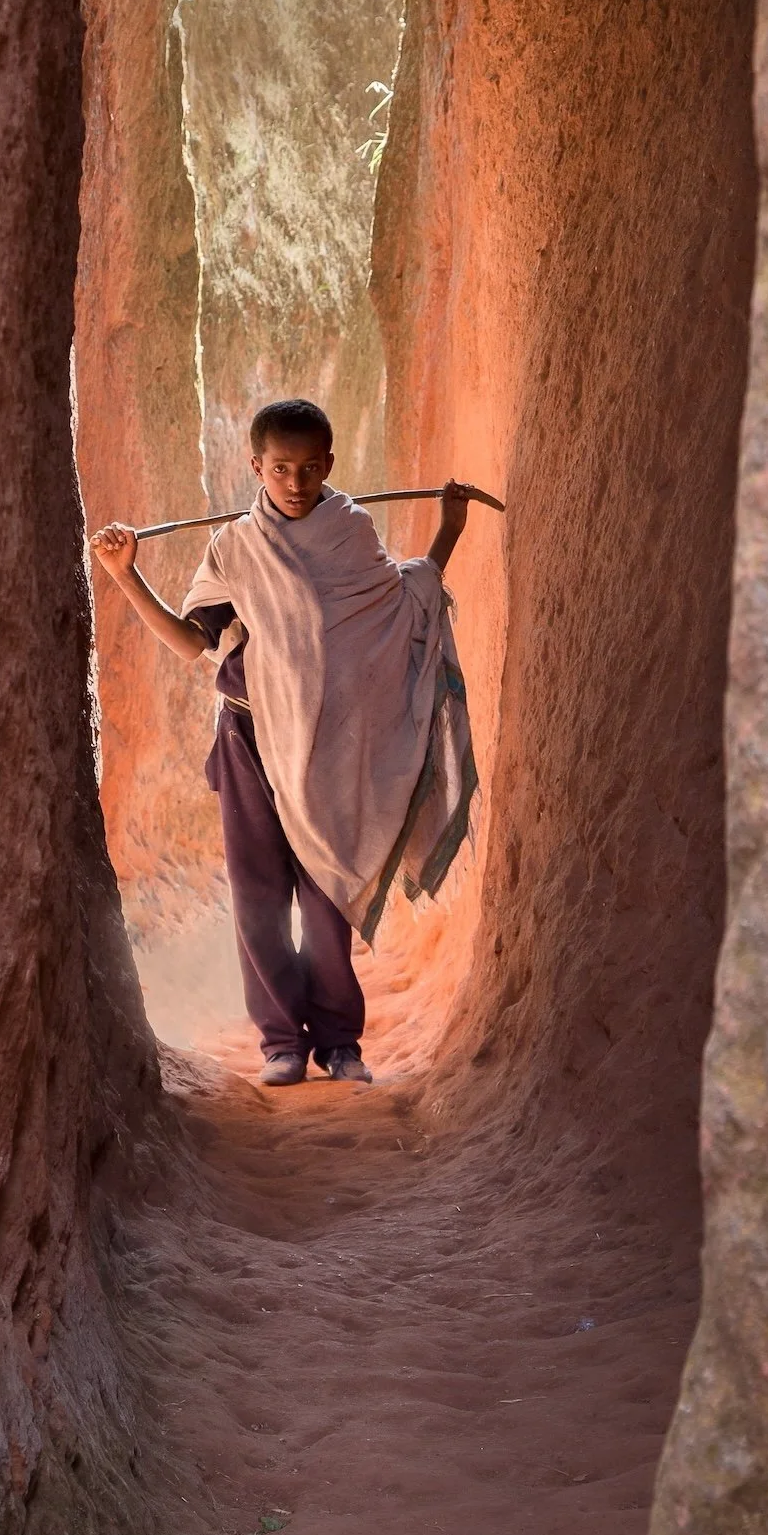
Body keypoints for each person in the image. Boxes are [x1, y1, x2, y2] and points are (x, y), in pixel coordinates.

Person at [89, 399, 478, 1087]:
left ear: (328, 464)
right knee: (259, 893)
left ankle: (338, 1041)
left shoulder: (352, 536)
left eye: (307, 468)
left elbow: (404, 602)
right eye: (279, 469)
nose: (294, 483)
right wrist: (125, 576)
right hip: (248, 736)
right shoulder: (235, 549)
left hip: (333, 745)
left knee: (328, 883)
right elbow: (189, 642)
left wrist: (447, 533)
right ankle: (281, 1043)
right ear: (255, 467)